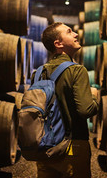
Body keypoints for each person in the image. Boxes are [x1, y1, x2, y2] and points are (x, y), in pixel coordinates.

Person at [32, 22, 99, 178]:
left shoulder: (38, 73)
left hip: (44, 149)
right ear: (58, 43)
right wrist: (94, 97)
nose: (75, 34)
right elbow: (85, 110)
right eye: (69, 32)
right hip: (72, 147)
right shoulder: (77, 70)